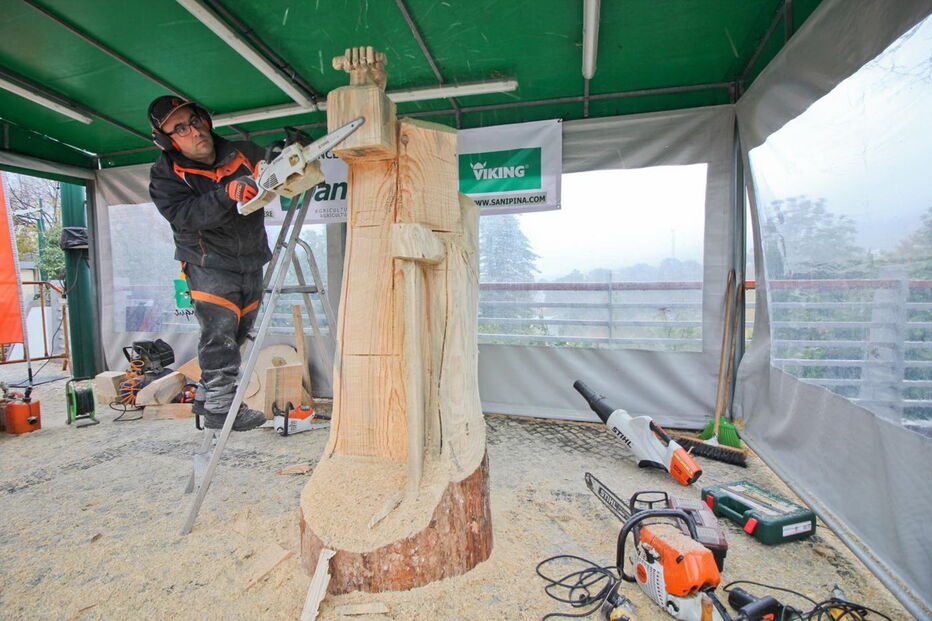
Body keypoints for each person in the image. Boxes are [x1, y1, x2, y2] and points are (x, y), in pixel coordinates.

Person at [147, 95, 268, 431]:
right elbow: (183, 215)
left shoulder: (243, 152)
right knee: (219, 332)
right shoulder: (166, 173)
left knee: (240, 330)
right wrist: (227, 194)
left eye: (195, 120)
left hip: (251, 255)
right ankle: (219, 406)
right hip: (207, 260)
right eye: (180, 129)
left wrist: (280, 161)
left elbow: (273, 167)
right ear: (167, 139)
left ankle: (207, 393)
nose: (194, 131)